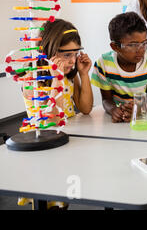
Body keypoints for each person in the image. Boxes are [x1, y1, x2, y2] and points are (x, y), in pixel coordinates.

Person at [19, 18, 93, 210]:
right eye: (67, 54)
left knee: (62, 200)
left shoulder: (69, 74)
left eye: (75, 54)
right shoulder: (32, 79)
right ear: (49, 52)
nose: (72, 61)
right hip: (43, 147)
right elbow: (54, 118)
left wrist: (84, 75)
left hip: (64, 142)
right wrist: (56, 79)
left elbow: (85, 108)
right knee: (48, 198)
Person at [91, 12, 147, 122]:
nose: (140, 49)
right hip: (118, 121)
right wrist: (113, 110)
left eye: (144, 43)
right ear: (115, 47)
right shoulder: (104, 63)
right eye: (132, 45)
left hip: (144, 119)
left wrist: (139, 110)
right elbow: (106, 99)